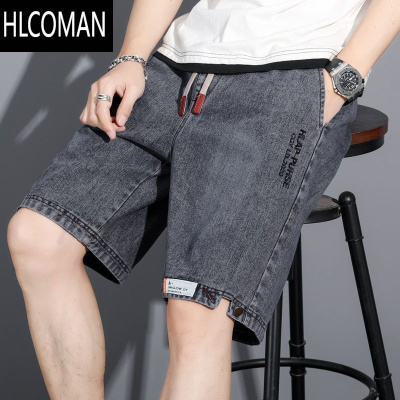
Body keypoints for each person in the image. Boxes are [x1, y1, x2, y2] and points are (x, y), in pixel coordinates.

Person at [6, 0, 399, 398]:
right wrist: (131, 58)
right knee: (37, 237)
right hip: (176, 66)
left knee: (198, 309)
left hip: (289, 79)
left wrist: (341, 81)